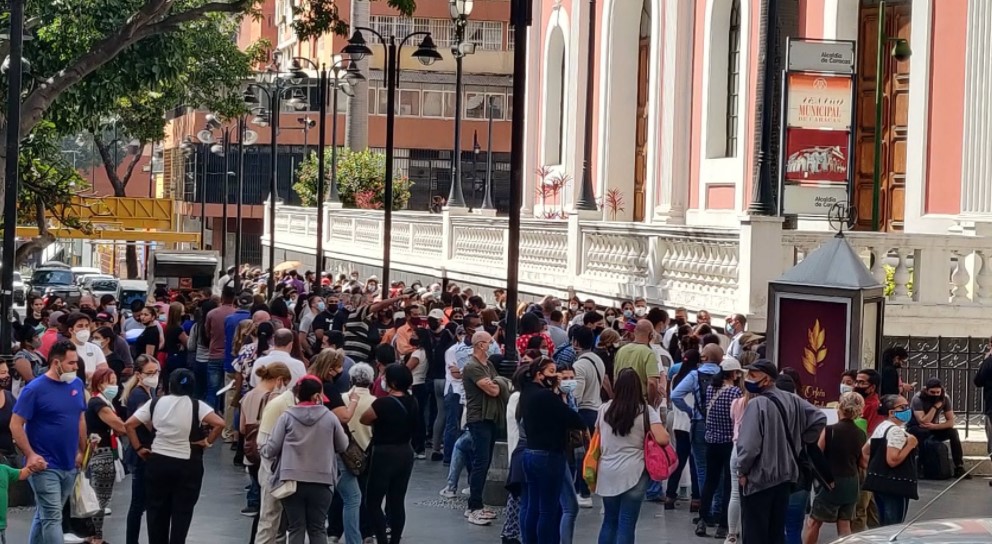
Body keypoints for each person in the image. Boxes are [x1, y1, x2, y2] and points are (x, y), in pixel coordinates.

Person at [125, 369, 225, 544]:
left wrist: (139, 448)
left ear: (170, 384)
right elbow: (219, 423)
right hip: (188, 465)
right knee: (183, 512)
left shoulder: (155, 403)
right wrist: (207, 442)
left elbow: (129, 424)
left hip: (158, 462)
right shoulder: (197, 406)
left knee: (156, 512)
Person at [736, 360, 826, 544]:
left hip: (760, 478)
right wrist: (803, 439)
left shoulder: (757, 404)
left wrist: (742, 470)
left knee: (755, 532)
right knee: (776, 531)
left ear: (767, 379)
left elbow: (749, 446)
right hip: (786, 476)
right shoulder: (794, 399)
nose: (748, 380)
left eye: (753, 376)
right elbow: (819, 418)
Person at [11, 340, 87, 544]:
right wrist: (30, 455)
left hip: (69, 463)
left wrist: (83, 450)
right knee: (53, 517)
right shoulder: (34, 389)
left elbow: (80, 418)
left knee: (45, 513)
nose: (76, 367)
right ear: (56, 363)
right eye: (71, 363)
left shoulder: (76, 384)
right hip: (44, 465)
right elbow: (16, 424)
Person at [262, 374, 348, 544]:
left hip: (291, 481)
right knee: (317, 528)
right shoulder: (330, 417)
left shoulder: (287, 417)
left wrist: (262, 450)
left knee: (295, 527)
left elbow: (271, 448)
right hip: (322, 480)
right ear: (317, 396)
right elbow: (343, 445)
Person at [596, 368, 670, 544]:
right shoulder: (645, 410)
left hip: (607, 471)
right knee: (627, 523)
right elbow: (663, 439)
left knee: (609, 521)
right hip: (635, 472)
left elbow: (597, 437)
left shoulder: (604, 409)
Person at [518, 355, 586, 542]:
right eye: (551, 372)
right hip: (549, 455)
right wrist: (559, 395)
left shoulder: (527, 392)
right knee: (548, 509)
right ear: (539, 375)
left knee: (533, 505)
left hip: (530, 454)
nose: (555, 375)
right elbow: (574, 419)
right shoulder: (546, 396)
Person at [360, 364, 420, 544]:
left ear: (392, 382)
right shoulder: (413, 401)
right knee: (397, 500)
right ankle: (395, 540)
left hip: (383, 453)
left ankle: (381, 539)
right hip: (405, 452)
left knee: (373, 501)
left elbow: (364, 418)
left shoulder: (381, 403)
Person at [804, 391, 867, 544]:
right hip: (851, 482)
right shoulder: (861, 433)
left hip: (831, 481)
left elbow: (817, 456)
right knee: (844, 523)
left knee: (814, 522)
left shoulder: (830, 430)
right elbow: (862, 462)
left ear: (840, 406)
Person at [462, 331, 510, 526]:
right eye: (490, 342)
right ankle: (474, 507)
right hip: (478, 418)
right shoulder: (472, 367)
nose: (493, 345)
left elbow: (498, 383)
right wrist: (499, 382)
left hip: (489, 418)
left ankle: (476, 504)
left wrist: (498, 382)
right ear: (481, 345)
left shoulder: (487, 365)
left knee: (484, 460)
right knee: (481, 461)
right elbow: (495, 388)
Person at [695, 357, 743, 539]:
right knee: (728, 485)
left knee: (710, 481)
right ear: (733, 373)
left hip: (711, 441)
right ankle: (723, 525)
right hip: (728, 442)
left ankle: (702, 519)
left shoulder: (710, 390)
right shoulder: (735, 392)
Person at [672, 343, 723, 512]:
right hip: (722, 426)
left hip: (699, 424)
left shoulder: (695, 375)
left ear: (704, 357)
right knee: (720, 468)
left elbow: (675, 395)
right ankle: (718, 506)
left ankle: (705, 507)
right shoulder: (725, 375)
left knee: (702, 468)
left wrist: (689, 411)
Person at [240, 362, 292, 521]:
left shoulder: (247, 396)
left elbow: (242, 428)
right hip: (266, 452)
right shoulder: (274, 399)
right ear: (280, 379)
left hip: (250, 453)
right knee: (269, 507)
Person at [85, 367, 129, 544]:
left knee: (100, 497)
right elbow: (119, 426)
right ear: (99, 384)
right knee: (100, 499)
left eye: (115, 382)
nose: (114, 386)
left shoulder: (104, 402)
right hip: (102, 455)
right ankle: (96, 537)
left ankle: (94, 535)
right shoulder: (99, 404)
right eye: (109, 382)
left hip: (102, 453)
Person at [863, 394, 919, 526]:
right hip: (895, 486)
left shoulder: (882, 427)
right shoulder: (896, 432)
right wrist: (910, 444)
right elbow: (892, 460)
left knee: (882, 521)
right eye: (903, 407)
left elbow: (865, 451)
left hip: (880, 484)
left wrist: (872, 469)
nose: (907, 409)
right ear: (892, 412)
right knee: (893, 524)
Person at [122, 355, 160, 544]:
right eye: (149, 373)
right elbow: (148, 423)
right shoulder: (139, 395)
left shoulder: (149, 393)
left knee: (139, 504)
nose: (154, 376)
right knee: (138, 504)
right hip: (142, 454)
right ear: (138, 374)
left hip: (145, 451)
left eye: (156, 372)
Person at [570, 326, 605, 508]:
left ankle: (582, 491)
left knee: (580, 454)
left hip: (584, 412)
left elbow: (577, 395)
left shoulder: (580, 365)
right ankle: (586, 489)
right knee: (590, 453)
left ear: (576, 342)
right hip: (596, 409)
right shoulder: (597, 360)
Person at [906, 378, 967, 478]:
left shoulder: (944, 398)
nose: (935, 395)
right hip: (916, 427)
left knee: (953, 432)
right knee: (922, 432)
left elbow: (951, 422)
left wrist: (936, 426)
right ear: (926, 390)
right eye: (932, 392)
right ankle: (920, 466)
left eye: (937, 392)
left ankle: (959, 466)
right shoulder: (918, 399)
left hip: (932, 427)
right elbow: (923, 421)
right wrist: (935, 407)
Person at [66, 312, 108, 383]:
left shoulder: (95, 348)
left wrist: (94, 375)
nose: (84, 329)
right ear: (71, 330)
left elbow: (104, 370)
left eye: (87, 326)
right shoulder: (64, 348)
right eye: (80, 326)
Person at [12, 326, 44, 395]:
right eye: (36, 337)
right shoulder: (21, 357)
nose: (39, 339)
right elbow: (31, 381)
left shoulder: (37, 354)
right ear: (27, 342)